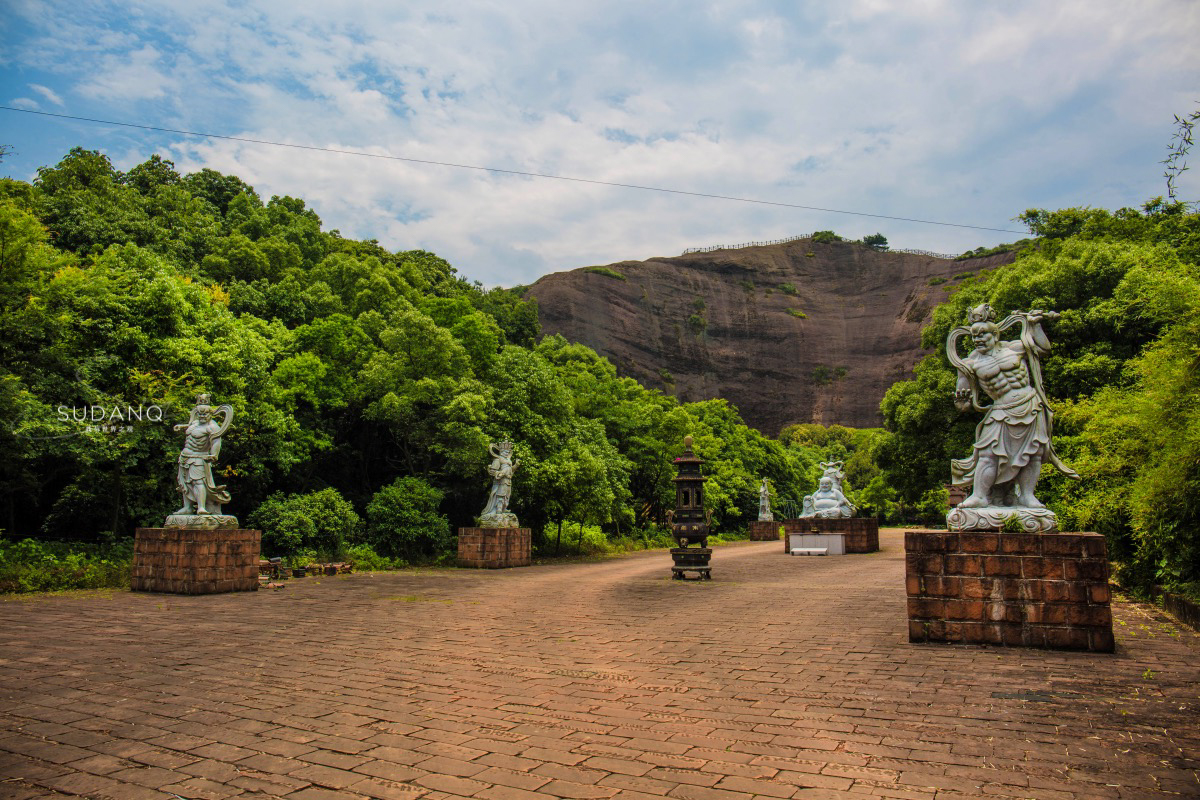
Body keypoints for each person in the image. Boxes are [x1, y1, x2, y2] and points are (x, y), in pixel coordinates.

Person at [948, 304, 1077, 508]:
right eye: (974, 336)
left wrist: (1035, 325)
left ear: (995, 334)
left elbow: (1044, 349)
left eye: (982, 335)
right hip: (1001, 410)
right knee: (987, 454)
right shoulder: (968, 364)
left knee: (1033, 454)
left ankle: (1027, 495)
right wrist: (961, 401)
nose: (978, 340)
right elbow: (963, 405)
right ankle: (979, 495)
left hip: (1030, 404)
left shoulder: (1014, 348)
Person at [173, 394, 234, 515]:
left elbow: (216, 441)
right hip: (185, 457)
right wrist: (181, 427)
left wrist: (214, 454)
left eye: (204, 414)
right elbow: (190, 428)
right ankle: (188, 507)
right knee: (185, 483)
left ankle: (201, 507)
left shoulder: (212, 427)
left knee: (198, 482)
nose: (201, 416)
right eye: (199, 414)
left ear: (210, 414)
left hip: (199, 457)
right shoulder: (194, 423)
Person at [481, 441, 519, 518]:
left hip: (508, 480)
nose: (507, 453)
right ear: (501, 451)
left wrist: (516, 465)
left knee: (507, 495)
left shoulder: (509, 460)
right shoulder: (498, 459)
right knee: (501, 494)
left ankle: (504, 508)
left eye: (508, 451)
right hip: (501, 481)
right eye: (505, 451)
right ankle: (498, 509)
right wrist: (500, 473)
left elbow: (510, 470)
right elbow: (492, 472)